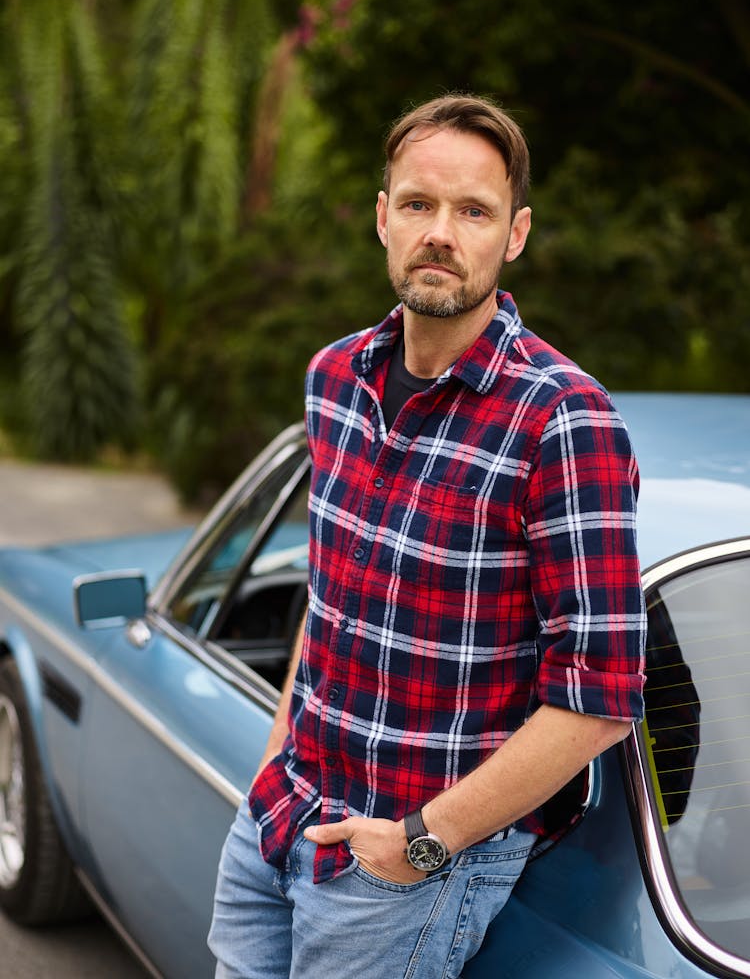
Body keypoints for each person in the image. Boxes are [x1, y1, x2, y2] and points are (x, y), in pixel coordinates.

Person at [208, 93, 646, 979]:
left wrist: (420, 845)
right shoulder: (335, 377)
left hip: (401, 868)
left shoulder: (564, 420)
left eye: (473, 211)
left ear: (513, 235)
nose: (441, 232)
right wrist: (271, 768)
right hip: (279, 818)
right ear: (383, 218)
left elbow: (601, 698)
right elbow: (329, 598)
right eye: (418, 204)